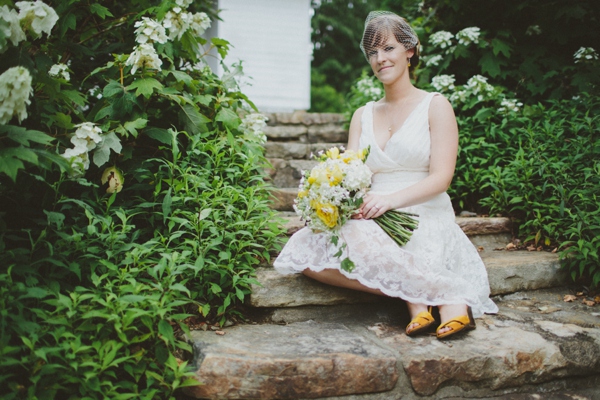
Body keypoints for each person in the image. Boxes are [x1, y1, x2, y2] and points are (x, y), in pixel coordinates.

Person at [274, 11, 498, 339]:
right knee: (306, 250)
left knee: (390, 240)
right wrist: (332, 203)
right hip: (374, 210)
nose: (380, 59)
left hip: (421, 207)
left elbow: (442, 177)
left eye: (389, 48)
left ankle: (431, 306)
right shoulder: (362, 115)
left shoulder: (436, 106)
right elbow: (349, 173)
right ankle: (424, 294)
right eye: (373, 53)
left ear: (410, 50)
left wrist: (390, 201)